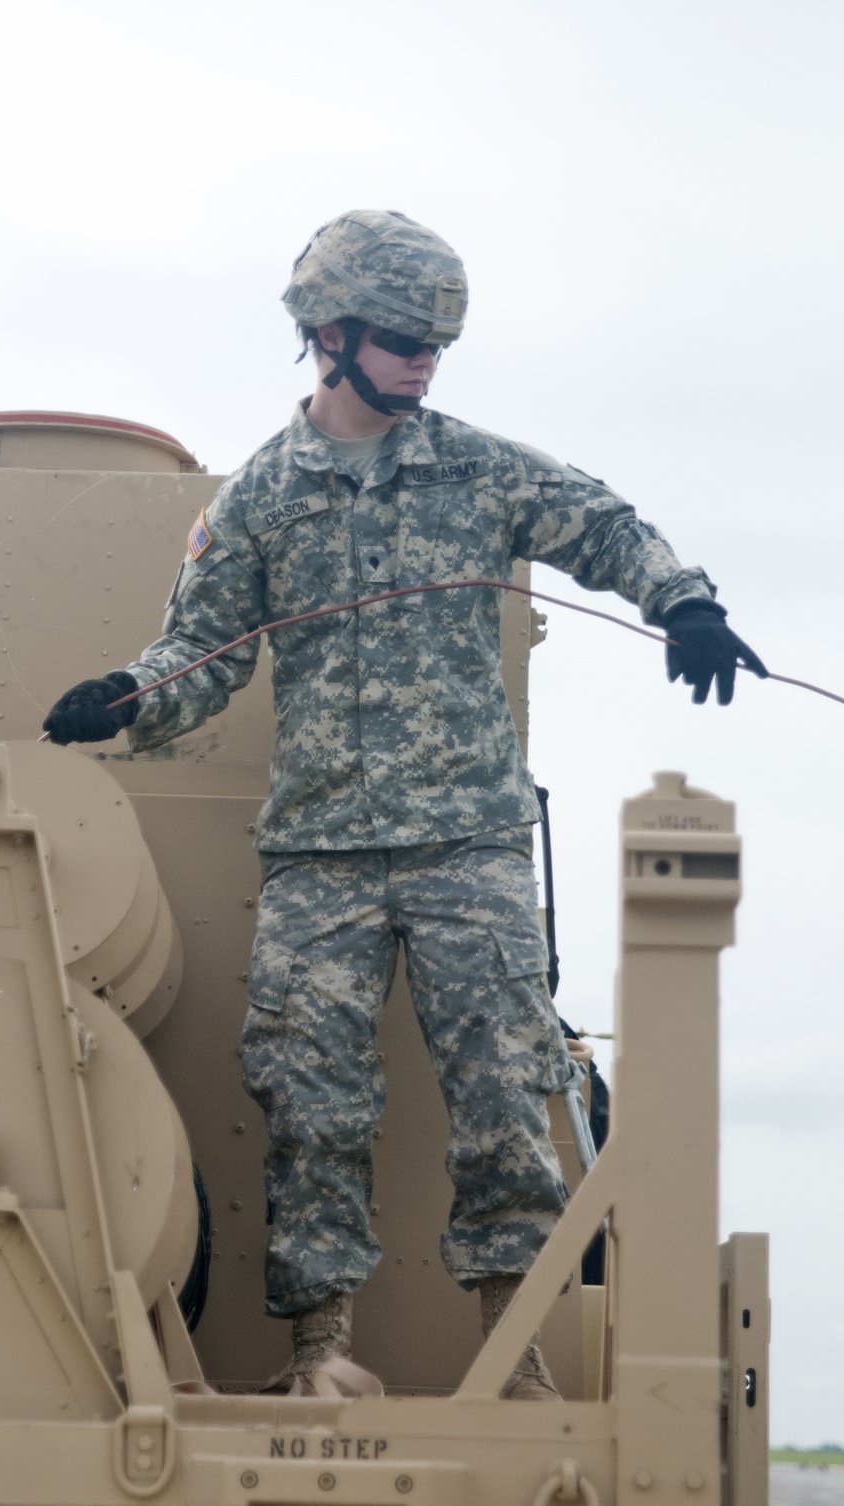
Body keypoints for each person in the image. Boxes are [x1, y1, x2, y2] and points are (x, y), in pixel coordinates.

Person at [44, 210, 766, 1400]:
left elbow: (603, 524)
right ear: (327, 336)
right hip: (320, 856)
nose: (424, 360)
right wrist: (126, 698)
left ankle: (516, 1357)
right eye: (398, 338)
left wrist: (681, 600)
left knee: (501, 1096)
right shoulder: (263, 497)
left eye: (438, 340)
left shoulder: (478, 468)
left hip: (467, 842)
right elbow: (204, 650)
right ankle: (321, 1352)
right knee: (309, 1104)